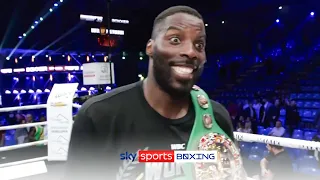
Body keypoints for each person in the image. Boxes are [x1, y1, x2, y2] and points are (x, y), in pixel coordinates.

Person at [65, 6, 247, 180]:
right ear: (150, 48)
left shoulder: (217, 117)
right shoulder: (99, 117)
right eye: (175, 40)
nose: (191, 52)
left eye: (199, 45)